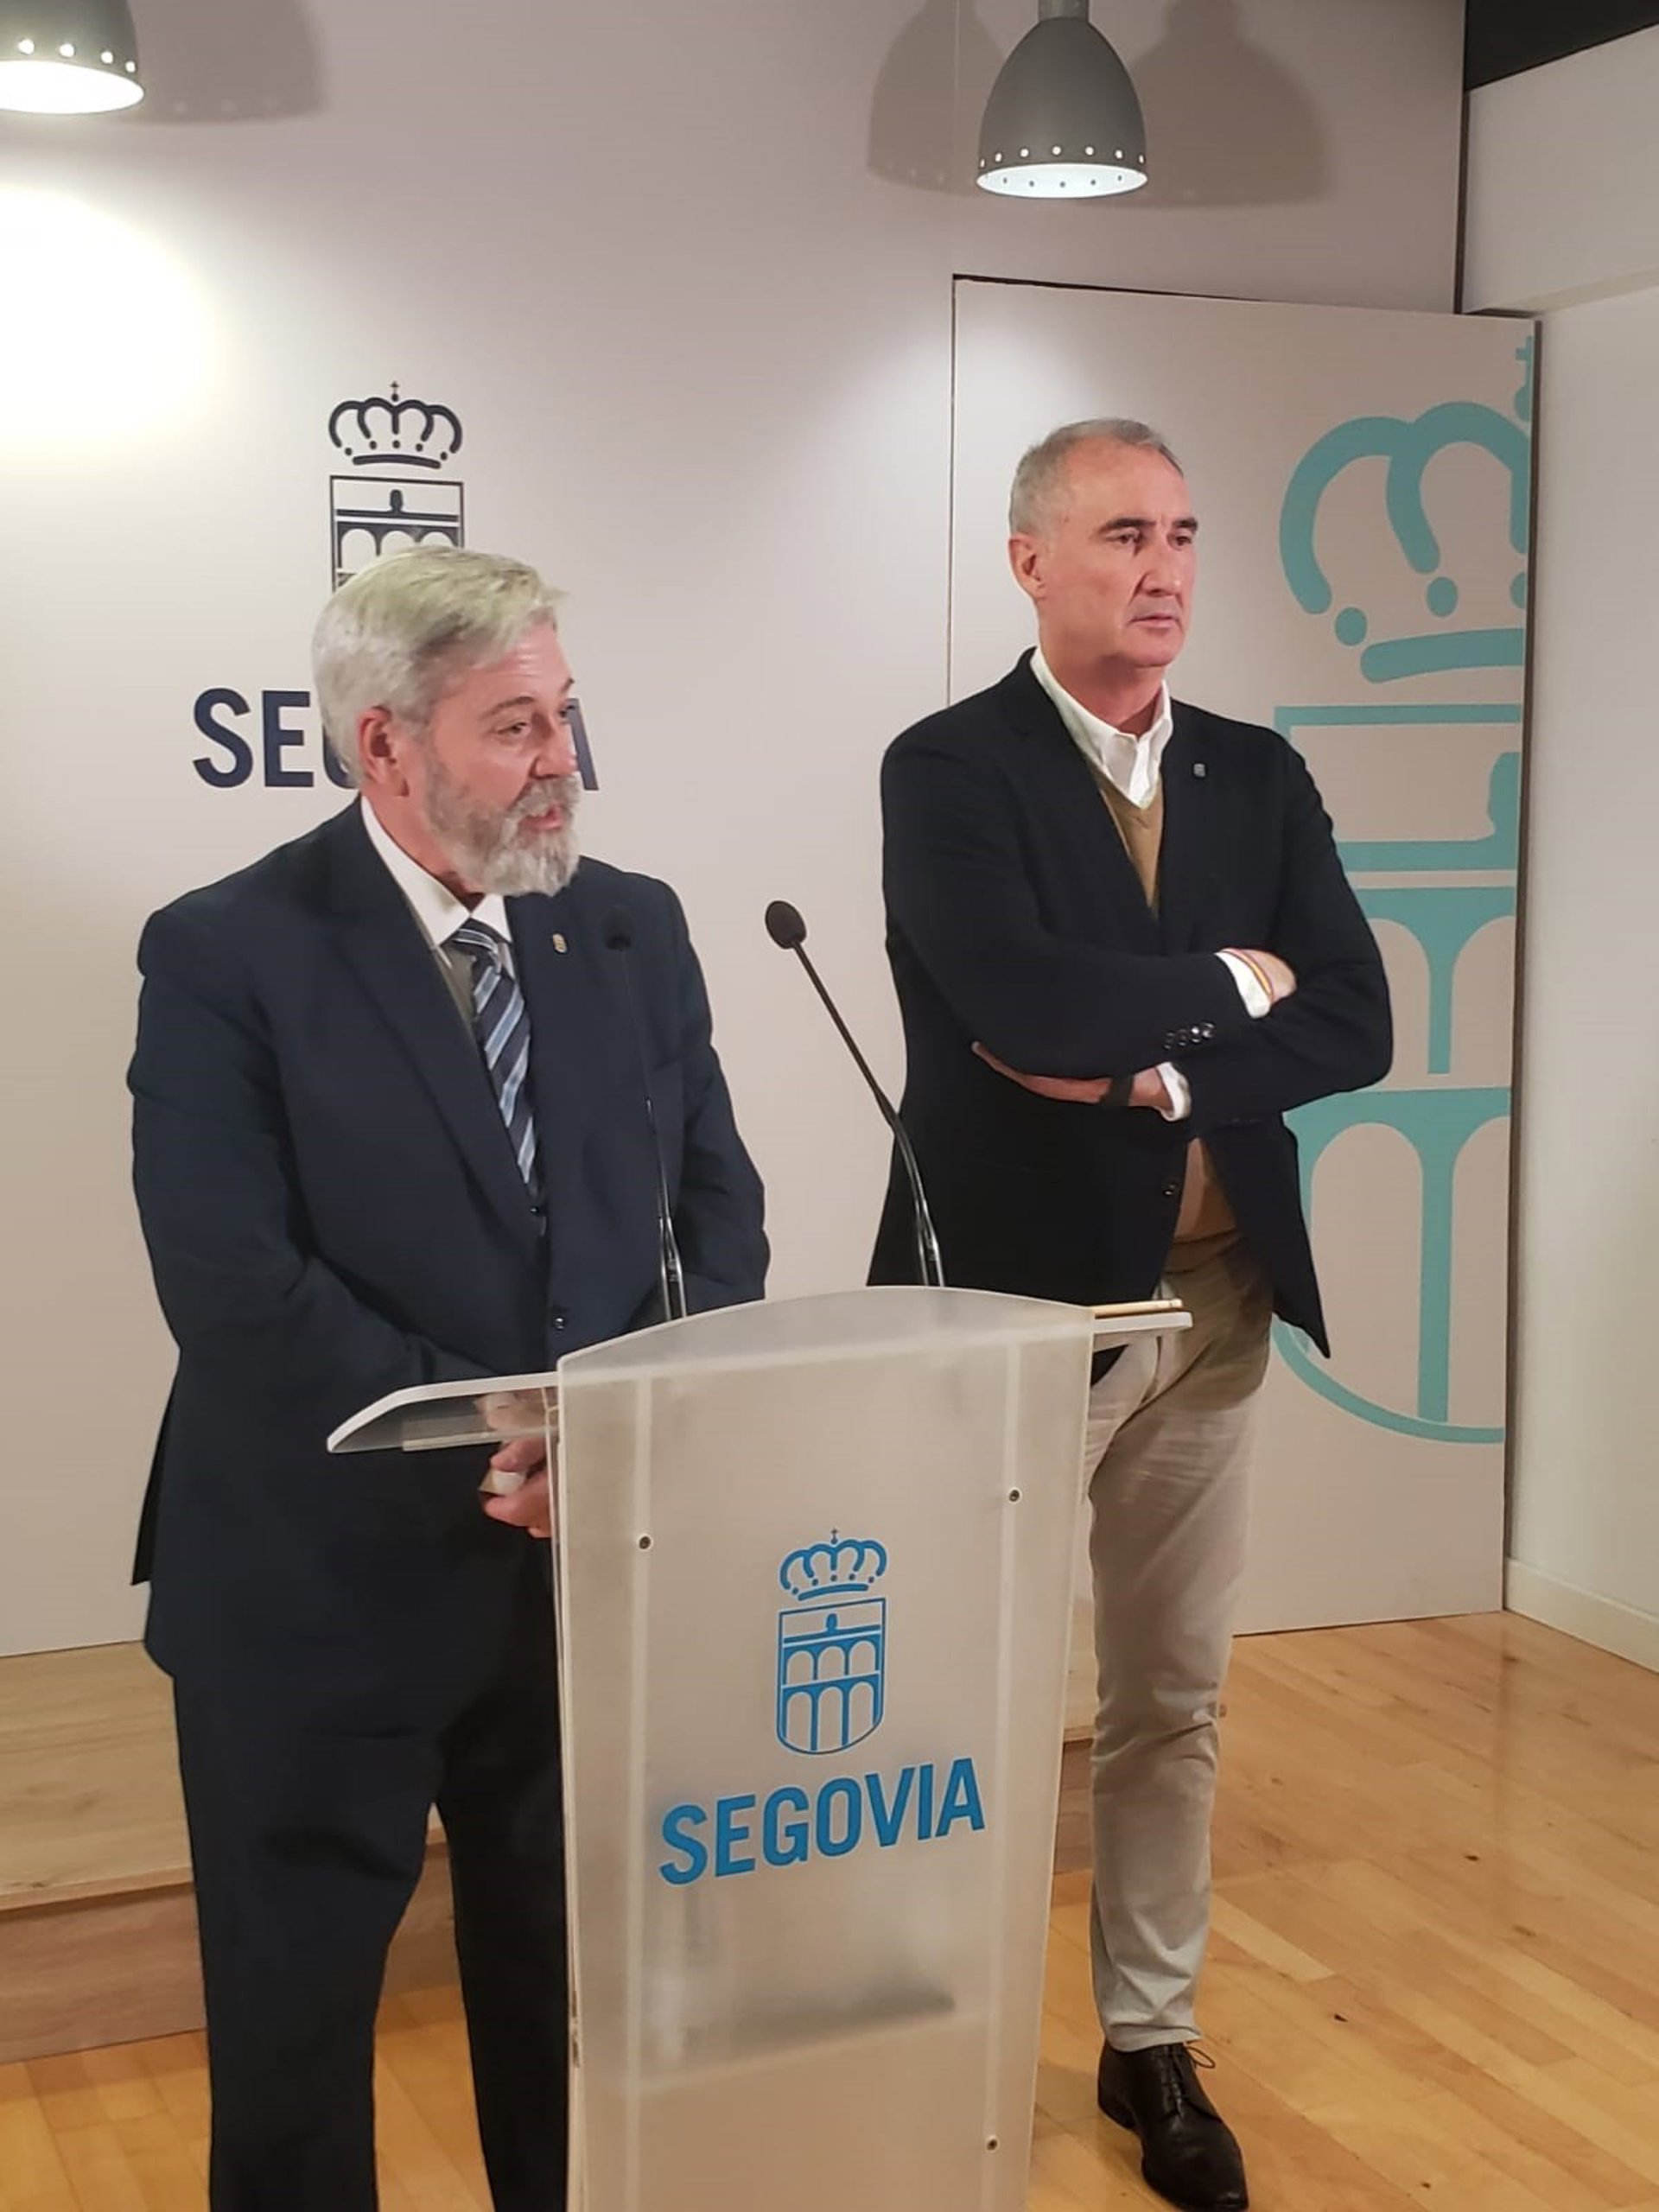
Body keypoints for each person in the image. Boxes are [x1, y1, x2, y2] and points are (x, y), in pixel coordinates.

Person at [129, 545, 767, 2212]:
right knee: (295, 2041)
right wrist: (498, 1432)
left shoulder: (628, 926)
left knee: (566, 2012)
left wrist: (624, 1427)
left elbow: (716, 1211)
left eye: (564, 714)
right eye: (514, 726)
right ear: (385, 747)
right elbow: (233, 1281)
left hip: (577, 1574)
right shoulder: (227, 950)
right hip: (315, 1582)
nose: (562, 759)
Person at [872, 420, 1390, 2212]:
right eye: (1119, 535)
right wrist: (1234, 984)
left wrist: (1156, 1072)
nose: (1161, 569)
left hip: (1215, 1303)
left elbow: (1357, 1017)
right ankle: (934, 2027)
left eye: (1180, 533)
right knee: (970, 1701)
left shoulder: (1256, 769)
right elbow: (1016, 999)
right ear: (1030, 560)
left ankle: (1149, 2038)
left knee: (1170, 1698)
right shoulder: (950, 767)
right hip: (1013, 1311)